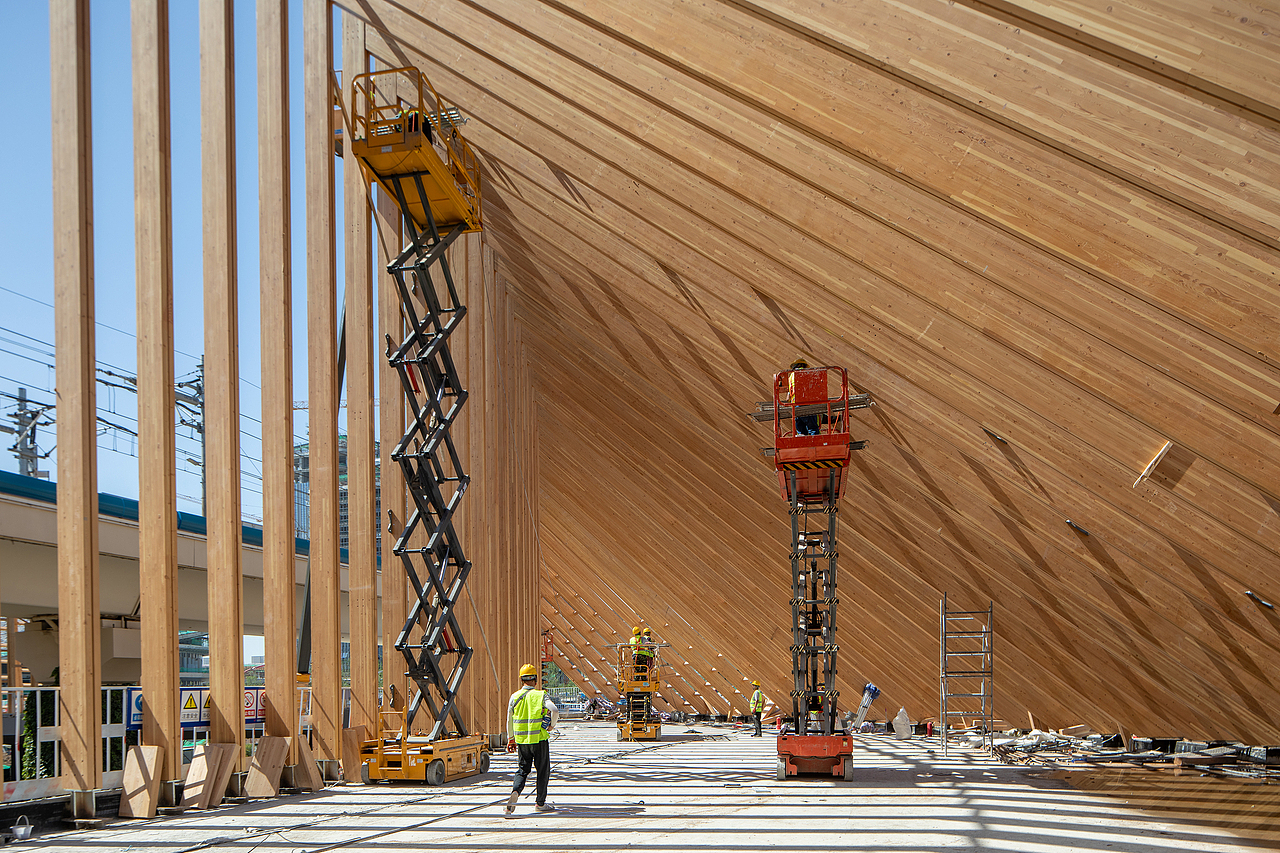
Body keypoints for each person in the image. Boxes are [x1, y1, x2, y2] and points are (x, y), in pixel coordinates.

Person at [504, 663, 560, 815]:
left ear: (521, 679)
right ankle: (540, 803)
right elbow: (554, 710)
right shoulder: (541, 695)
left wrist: (511, 739)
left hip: (522, 741)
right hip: (539, 740)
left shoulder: (514, 696)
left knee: (522, 770)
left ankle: (515, 791)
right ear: (535, 679)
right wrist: (551, 726)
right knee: (542, 771)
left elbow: (509, 719)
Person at [787, 358, 820, 436]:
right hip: (806, 404)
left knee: (801, 431)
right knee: (812, 428)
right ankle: (815, 443)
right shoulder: (805, 373)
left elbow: (788, 396)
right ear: (802, 365)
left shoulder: (791, 376)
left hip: (795, 406)